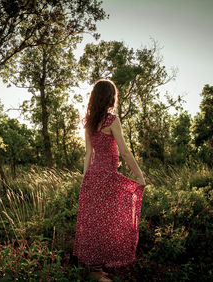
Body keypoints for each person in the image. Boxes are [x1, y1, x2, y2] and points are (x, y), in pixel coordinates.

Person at [73, 79, 146, 281]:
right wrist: (139, 175)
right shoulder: (112, 119)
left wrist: (85, 180)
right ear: (110, 97)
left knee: (96, 222)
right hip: (106, 177)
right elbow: (123, 150)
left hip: (94, 176)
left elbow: (88, 154)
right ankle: (96, 274)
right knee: (106, 223)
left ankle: (95, 269)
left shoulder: (89, 121)